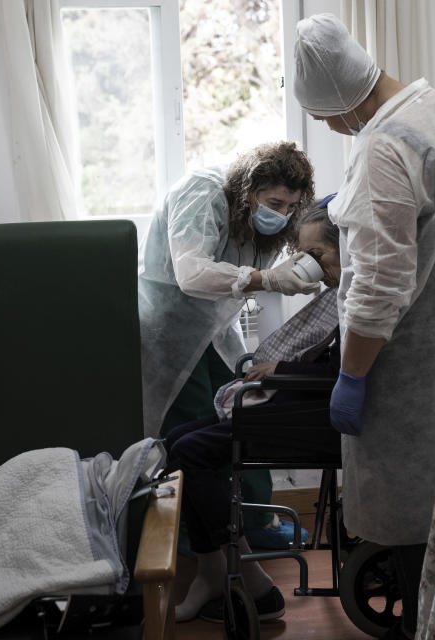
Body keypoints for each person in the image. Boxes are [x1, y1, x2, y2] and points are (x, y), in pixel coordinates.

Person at [293, 14, 435, 640]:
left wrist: (350, 377)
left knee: (417, 541)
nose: (328, 127)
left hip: (408, 381)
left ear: (339, 98)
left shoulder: (383, 148)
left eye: (323, 115)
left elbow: (378, 290)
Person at [162, 203, 342, 624]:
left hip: (307, 417)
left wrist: (281, 369)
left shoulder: (359, 296)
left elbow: (342, 372)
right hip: (293, 404)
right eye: (303, 254)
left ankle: (244, 574)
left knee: (189, 453)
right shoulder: (342, 293)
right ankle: (218, 572)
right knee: (175, 443)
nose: (308, 265)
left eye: (317, 255)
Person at [138, 142, 318, 542]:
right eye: (274, 202)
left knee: (246, 407)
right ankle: (193, 539)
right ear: (248, 190)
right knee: (189, 432)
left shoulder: (275, 217)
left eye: (291, 206)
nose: (281, 213)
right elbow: (191, 273)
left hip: (216, 329)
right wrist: (266, 279)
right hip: (172, 331)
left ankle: (254, 523)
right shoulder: (202, 193)